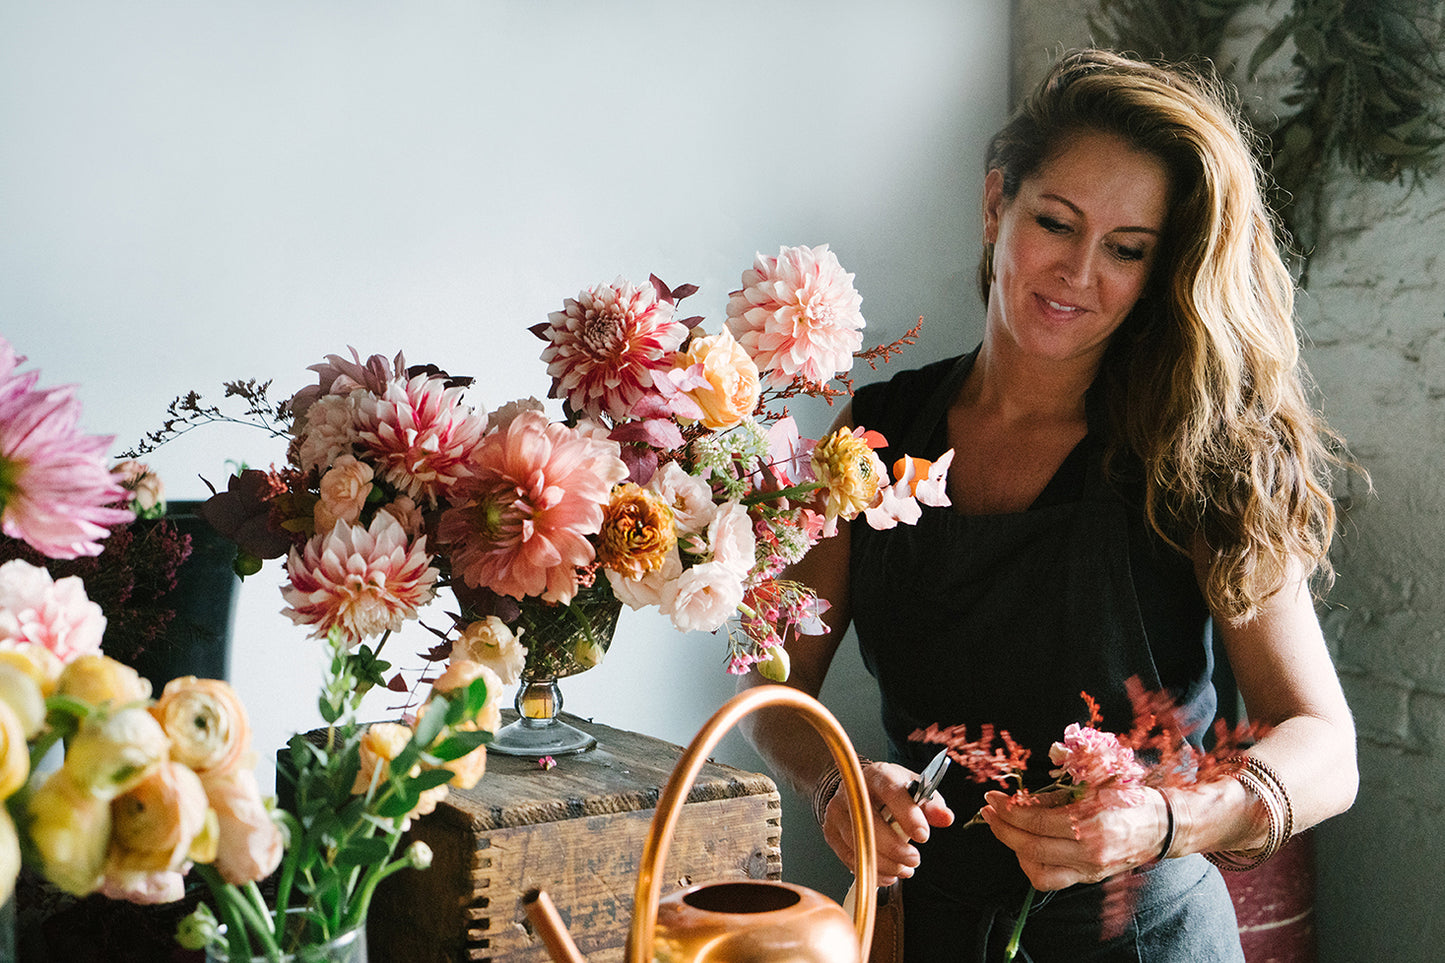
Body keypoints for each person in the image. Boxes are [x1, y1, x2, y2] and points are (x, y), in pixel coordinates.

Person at [738, 48, 1359, 962]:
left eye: (1125, 249)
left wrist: (1165, 819)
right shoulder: (876, 430)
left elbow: (1325, 746)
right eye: (1056, 223)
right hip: (920, 932)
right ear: (996, 204)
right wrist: (834, 786)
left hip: (1144, 937)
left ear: (1158, 270)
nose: (1077, 272)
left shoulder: (1198, 449)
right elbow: (774, 683)